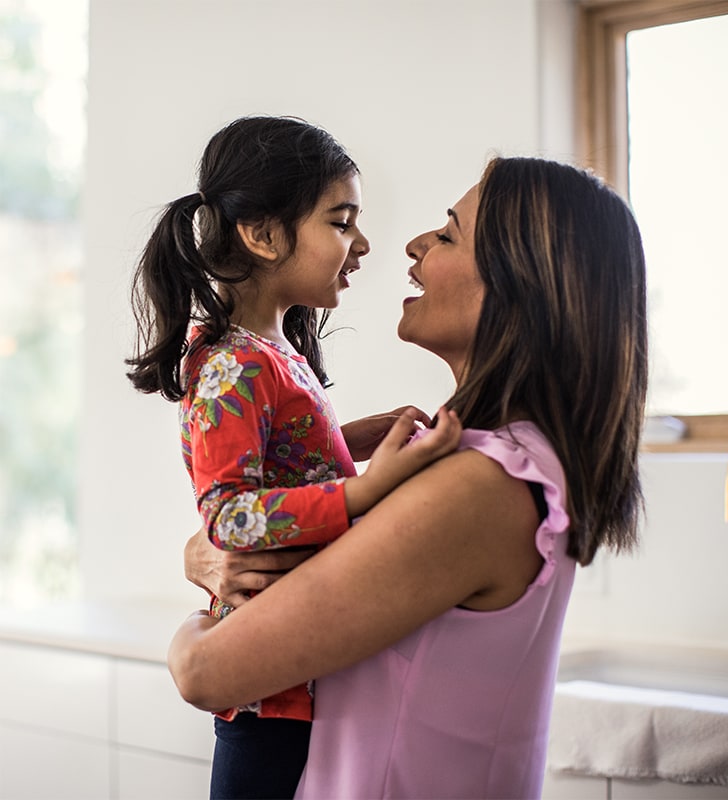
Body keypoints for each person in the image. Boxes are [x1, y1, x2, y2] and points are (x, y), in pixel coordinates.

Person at [169, 155, 649, 799]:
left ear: (519, 286)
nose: (414, 245)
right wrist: (213, 547)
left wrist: (192, 624)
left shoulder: (476, 488)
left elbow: (205, 673)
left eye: (448, 234)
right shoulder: (493, 461)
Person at [125, 115, 462, 799]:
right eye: (341, 222)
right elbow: (229, 517)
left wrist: (364, 436)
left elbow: (291, 463)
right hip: (270, 691)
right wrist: (365, 493)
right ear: (263, 234)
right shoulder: (233, 366)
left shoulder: (273, 354)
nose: (363, 244)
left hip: (298, 668)